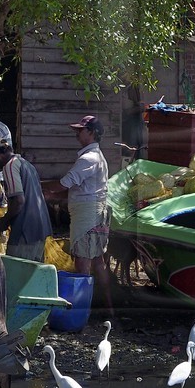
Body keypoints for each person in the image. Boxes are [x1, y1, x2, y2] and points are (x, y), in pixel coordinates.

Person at [58, 115, 113, 311]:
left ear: (90, 133)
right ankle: (109, 307)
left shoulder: (89, 158)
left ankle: (81, 311)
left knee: (83, 264)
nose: (77, 134)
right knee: (98, 261)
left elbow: (65, 183)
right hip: (95, 212)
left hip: (87, 215)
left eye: (80, 130)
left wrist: (43, 189)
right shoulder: (97, 156)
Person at [0, 139, 52, 262]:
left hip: (24, 231)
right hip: (40, 230)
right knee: (35, 275)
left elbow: (19, 201)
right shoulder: (26, 164)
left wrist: (4, 221)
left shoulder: (9, 166)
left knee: (17, 274)